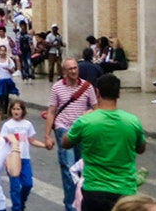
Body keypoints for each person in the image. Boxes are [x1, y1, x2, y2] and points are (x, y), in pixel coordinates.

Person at [63, 74, 145, 211]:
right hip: (125, 189)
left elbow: (65, 143)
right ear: (118, 93)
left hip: (94, 188)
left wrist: (79, 122)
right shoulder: (132, 121)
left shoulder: (86, 121)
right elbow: (141, 148)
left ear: (97, 92)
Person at [43, 58, 97, 211]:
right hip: (63, 129)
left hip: (82, 132)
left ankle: (80, 202)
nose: (73, 71)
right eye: (70, 69)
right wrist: (47, 135)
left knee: (82, 169)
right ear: (64, 72)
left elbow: (97, 108)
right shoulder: (57, 88)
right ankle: (71, 206)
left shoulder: (87, 87)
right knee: (68, 168)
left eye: (75, 68)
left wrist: (89, 113)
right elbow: (52, 111)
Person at [0, 98, 46, 211]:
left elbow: (32, 140)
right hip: (12, 159)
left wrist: (44, 145)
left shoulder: (27, 125)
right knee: (15, 186)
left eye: (18, 109)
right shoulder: (7, 126)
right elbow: (2, 142)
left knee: (27, 184)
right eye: (14, 109)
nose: (16, 111)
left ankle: (21, 202)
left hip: (25, 158)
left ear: (23, 111)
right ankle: (17, 207)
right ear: (10, 110)